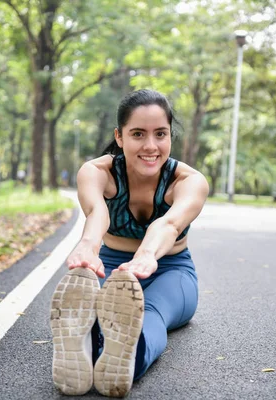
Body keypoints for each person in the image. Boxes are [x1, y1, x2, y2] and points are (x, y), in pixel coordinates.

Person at [50, 89, 209, 397]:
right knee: (97, 309)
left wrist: (147, 254)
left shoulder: (189, 181)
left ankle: (128, 359)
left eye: (160, 134)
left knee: (151, 313)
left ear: (170, 136)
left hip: (171, 271)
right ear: (119, 137)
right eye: (138, 134)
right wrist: (87, 246)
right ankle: (83, 348)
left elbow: (170, 223)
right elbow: (98, 213)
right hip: (112, 265)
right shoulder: (97, 172)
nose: (151, 146)